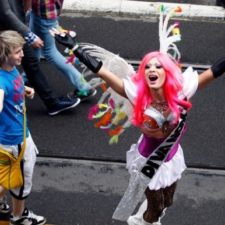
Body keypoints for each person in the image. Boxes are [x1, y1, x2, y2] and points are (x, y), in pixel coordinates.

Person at [53, 25, 225, 225]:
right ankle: (140, 221)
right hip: (147, 161)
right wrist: (75, 49)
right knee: (155, 209)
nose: (152, 69)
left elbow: (215, 70)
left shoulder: (182, 92)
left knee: (167, 202)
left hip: (170, 157)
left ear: (167, 73)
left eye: (158, 66)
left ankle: (142, 219)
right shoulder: (137, 94)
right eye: (148, 67)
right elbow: (103, 72)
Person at [0, 0, 80, 116]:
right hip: (7, 30)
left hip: (14, 27)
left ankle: (52, 103)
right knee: (27, 61)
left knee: (29, 62)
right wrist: (29, 34)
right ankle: (52, 103)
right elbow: (5, 12)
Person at [0, 30, 46, 225]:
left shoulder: (10, 70)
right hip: (15, 142)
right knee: (20, 181)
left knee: (6, 176)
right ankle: (18, 218)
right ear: (4, 55)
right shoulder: (1, 83)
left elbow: (12, 86)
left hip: (18, 136)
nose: (22, 55)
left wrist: (23, 90)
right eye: (17, 52)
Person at [29, 0, 97, 101]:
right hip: (50, 11)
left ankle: (84, 87)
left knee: (49, 52)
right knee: (34, 45)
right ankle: (28, 76)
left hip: (42, 13)